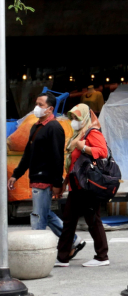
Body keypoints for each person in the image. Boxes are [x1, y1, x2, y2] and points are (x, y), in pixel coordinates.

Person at [8, 93, 85, 260]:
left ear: (50, 109)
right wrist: (16, 174)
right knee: (44, 213)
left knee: (38, 217)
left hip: (45, 178)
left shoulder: (55, 128)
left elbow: (57, 157)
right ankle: (74, 240)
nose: (37, 107)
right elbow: (28, 154)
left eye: (40, 104)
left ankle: (38, 254)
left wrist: (57, 182)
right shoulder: (36, 126)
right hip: (35, 177)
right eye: (36, 103)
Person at [56, 104, 109, 267]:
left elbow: (103, 152)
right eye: (72, 118)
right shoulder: (77, 134)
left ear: (85, 117)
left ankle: (102, 257)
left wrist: (83, 147)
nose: (73, 121)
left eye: (77, 118)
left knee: (93, 220)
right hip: (75, 185)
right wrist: (65, 183)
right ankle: (62, 257)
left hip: (88, 186)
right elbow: (73, 164)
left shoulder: (92, 132)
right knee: (69, 220)